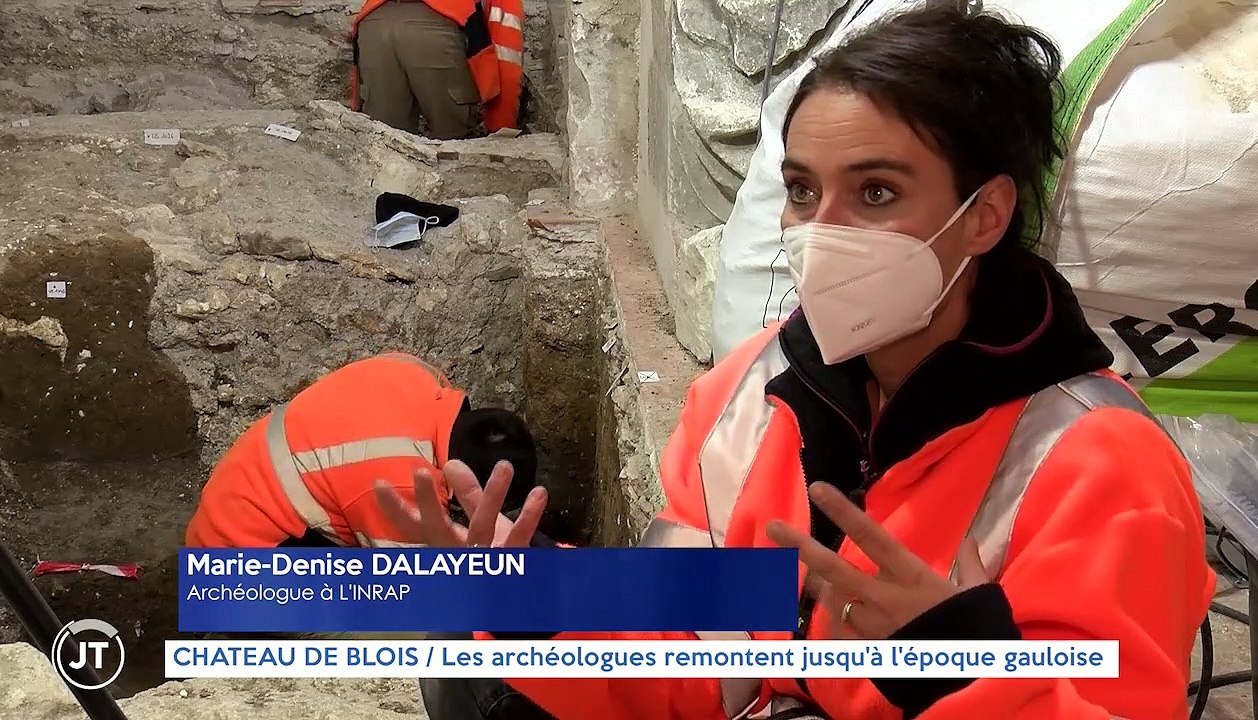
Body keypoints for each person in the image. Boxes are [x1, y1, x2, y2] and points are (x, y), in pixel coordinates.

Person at [377, 5, 1215, 720]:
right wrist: (539, 611)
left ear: (985, 214)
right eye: (805, 190)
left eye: (877, 193)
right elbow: (684, 652)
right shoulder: (751, 387)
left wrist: (959, 671)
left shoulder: (1102, 465)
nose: (821, 230)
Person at [185, 351, 538, 551]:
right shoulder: (401, 484)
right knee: (415, 638)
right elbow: (411, 588)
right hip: (235, 572)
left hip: (232, 510)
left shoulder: (418, 374)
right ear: (463, 496)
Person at [346, 0, 524, 138]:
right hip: (436, 26)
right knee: (454, 143)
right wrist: (501, 127)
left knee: (386, 142)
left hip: (373, 23)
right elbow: (507, 47)